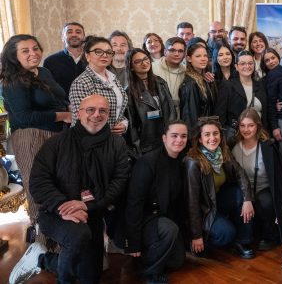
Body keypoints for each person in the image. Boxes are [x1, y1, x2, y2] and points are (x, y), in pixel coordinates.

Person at [11, 94, 129, 284]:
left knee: (90, 276)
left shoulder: (117, 144)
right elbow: (39, 182)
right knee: (78, 234)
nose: (96, 115)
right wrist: (63, 206)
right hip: (55, 212)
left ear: (108, 115)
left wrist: (87, 206)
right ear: (78, 113)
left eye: (103, 111)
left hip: (92, 212)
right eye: (90, 110)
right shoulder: (56, 143)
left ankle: (43, 259)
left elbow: (119, 181)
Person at [0, 34, 70, 242]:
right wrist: (63, 115)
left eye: (36, 48)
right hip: (30, 137)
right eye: (25, 50)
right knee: (38, 188)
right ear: (13, 56)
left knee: (60, 185)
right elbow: (24, 116)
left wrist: (70, 109)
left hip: (57, 135)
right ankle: (42, 242)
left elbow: (58, 99)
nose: (33, 53)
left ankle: (63, 239)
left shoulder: (44, 72)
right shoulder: (12, 80)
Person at [125, 120, 189, 283]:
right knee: (170, 230)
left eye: (183, 136)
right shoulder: (147, 162)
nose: (179, 140)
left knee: (177, 262)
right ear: (164, 138)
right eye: (174, 136)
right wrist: (133, 242)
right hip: (145, 218)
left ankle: (149, 257)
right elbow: (134, 203)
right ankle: (150, 273)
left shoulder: (181, 160)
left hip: (163, 216)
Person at [185, 118, 255, 259]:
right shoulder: (193, 163)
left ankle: (242, 241)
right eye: (207, 134)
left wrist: (247, 199)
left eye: (215, 133)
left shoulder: (222, 152)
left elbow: (240, 174)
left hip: (217, 200)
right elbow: (192, 203)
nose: (212, 138)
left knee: (240, 194)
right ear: (200, 139)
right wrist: (196, 235)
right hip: (204, 209)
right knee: (226, 233)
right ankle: (200, 244)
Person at [231, 109, 282, 249]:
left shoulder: (267, 147)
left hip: (264, 192)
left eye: (250, 125)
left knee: (264, 201)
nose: (246, 129)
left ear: (258, 126)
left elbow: (279, 179)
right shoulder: (234, 148)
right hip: (245, 193)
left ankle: (271, 234)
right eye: (242, 125)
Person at [69, 36, 128, 134]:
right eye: (98, 51)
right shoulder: (81, 83)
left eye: (108, 52)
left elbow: (118, 109)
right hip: (90, 140)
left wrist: (124, 123)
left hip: (114, 139)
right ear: (87, 56)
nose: (105, 55)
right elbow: (81, 121)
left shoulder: (113, 78)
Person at [126, 48, 177, 155]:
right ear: (131, 67)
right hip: (147, 144)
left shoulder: (160, 82)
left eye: (145, 59)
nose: (144, 63)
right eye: (138, 61)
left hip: (167, 138)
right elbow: (131, 125)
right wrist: (137, 149)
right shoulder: (129, 91)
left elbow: (171, 109)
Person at [216, 50, 268, 137]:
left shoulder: (260, 85)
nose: (247, 66)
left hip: (258, 134)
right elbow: (220, 115)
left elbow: (266, 112)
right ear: (236, 67)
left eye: (250, 63)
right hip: (236, 135)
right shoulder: (228, 86)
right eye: (243, 63)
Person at [179, 43, 220, 132]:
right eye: (198, 56)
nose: (203, 59)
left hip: (206, 129)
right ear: (189, 59)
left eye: (205, 56)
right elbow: (190, 117)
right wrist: (195, 137)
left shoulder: (203, 78)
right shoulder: (191, 83)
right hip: (199, 133)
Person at [43, 21, 87, 96]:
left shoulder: (93, 59)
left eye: (78, 32)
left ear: (84, 37)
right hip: (62, 103)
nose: (74, 35)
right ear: (62, 37)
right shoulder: (50, 61)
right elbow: (49, 90)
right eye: (69, 32)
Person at [152, 37, 187, 112]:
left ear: (184, 54)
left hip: (182, 112)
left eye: (180, 51)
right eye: (172, 50)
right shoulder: (152, 68)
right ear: (165, 52)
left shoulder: (187, 71)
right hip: (160, 111)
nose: (176, 54)